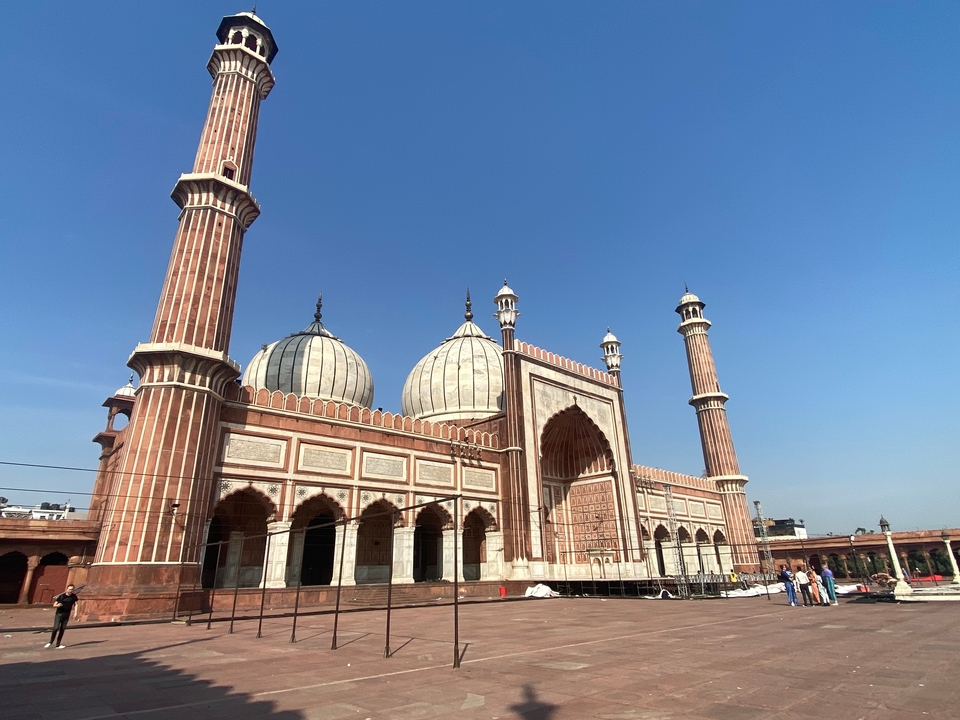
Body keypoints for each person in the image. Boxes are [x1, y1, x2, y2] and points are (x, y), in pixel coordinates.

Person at [45, 584, 79, 649]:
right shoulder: (61, 596)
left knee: (62, 629)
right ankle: (50, 642)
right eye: (69, 589)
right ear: (67, 589)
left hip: (66, 615)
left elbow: (76, 605)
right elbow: (54, 605)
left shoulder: (74, 596)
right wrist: (58, 605)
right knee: (56, 628)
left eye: (72, 589)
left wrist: (75, 613)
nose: (70, 591)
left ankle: (58, 644)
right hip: (59, 614)